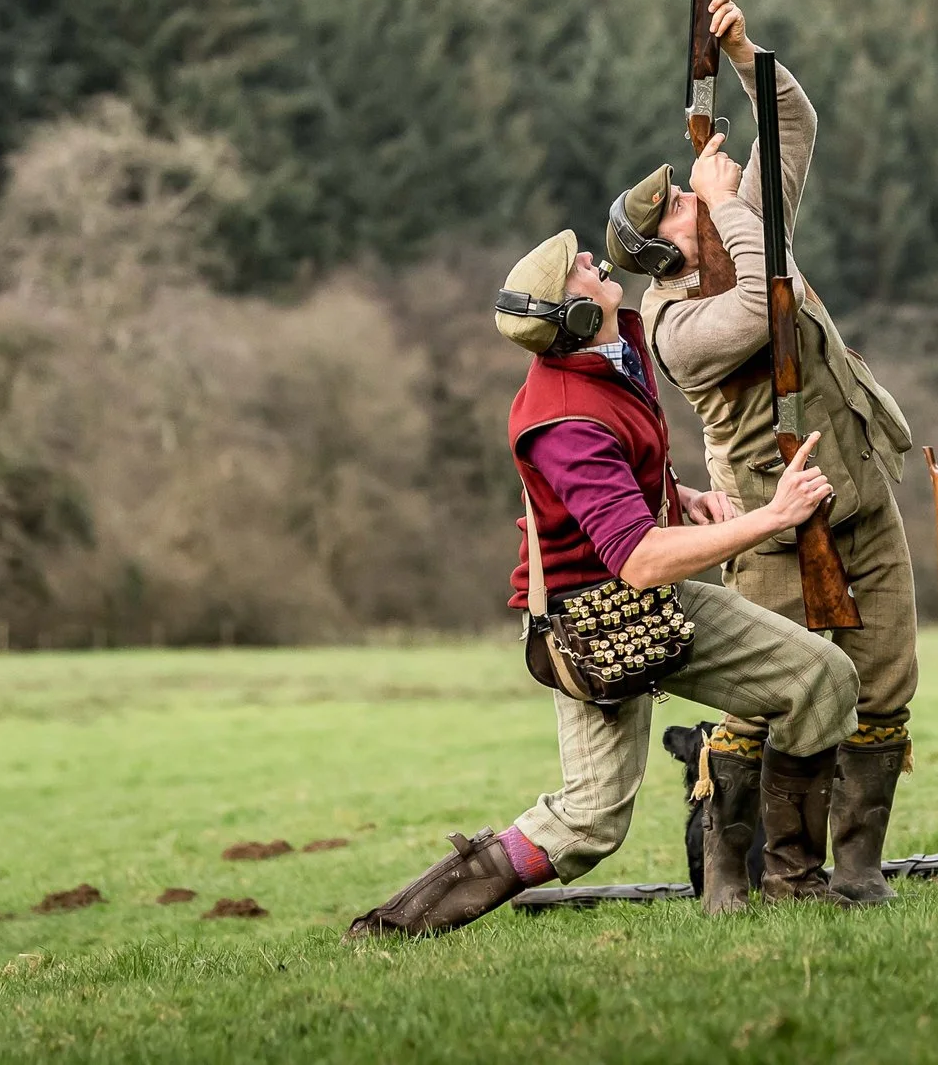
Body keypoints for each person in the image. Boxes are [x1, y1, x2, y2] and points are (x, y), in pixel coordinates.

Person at [346, 231, 859, 937]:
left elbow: (624, 484)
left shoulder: (617, 348)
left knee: (822, 679)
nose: (597, 261)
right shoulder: (563, 420)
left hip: (653, 601)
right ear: (573, 319)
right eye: (582, 269)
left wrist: (679, 494)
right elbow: (640, 559)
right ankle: (396, 926)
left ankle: (793, 883)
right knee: (588, 822)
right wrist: (774, 515)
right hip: (592, 627)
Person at [608, 0, 921, 907]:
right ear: (662, 254)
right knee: (761, 703)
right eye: (675, 206)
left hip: (858, 493)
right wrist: (720, 199)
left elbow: (792, 119)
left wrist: (743, 52)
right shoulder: (674, 323)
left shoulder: (739, 226)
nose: (695, 192)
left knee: (888, 683)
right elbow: (762, 298)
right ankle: (734, 877)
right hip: (774, 525)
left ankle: (858, 870)